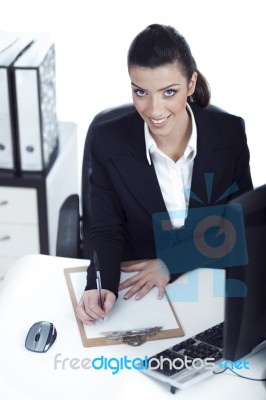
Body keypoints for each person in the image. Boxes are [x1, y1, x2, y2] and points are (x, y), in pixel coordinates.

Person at [76, 24, 253, 324]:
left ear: (191, 83)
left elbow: (240, 226)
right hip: (140, 295)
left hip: (207, 287)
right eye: (141, 92)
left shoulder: (229, 134)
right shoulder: (107, 140)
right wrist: (100, 283)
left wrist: (172, 262)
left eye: (169, 92)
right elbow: (105, 229)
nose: (154, 110)